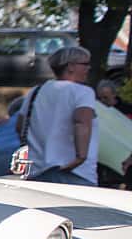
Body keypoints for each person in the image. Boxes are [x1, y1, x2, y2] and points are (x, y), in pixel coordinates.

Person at [18, 45, 98, 185]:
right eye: (85, 64)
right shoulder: (83, 92)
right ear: (70, 66)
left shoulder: (35, 92)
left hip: (37, 170)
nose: (89, 68)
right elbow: (81, 122)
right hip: (75, 172)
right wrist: (80, 158)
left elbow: (20, 126)